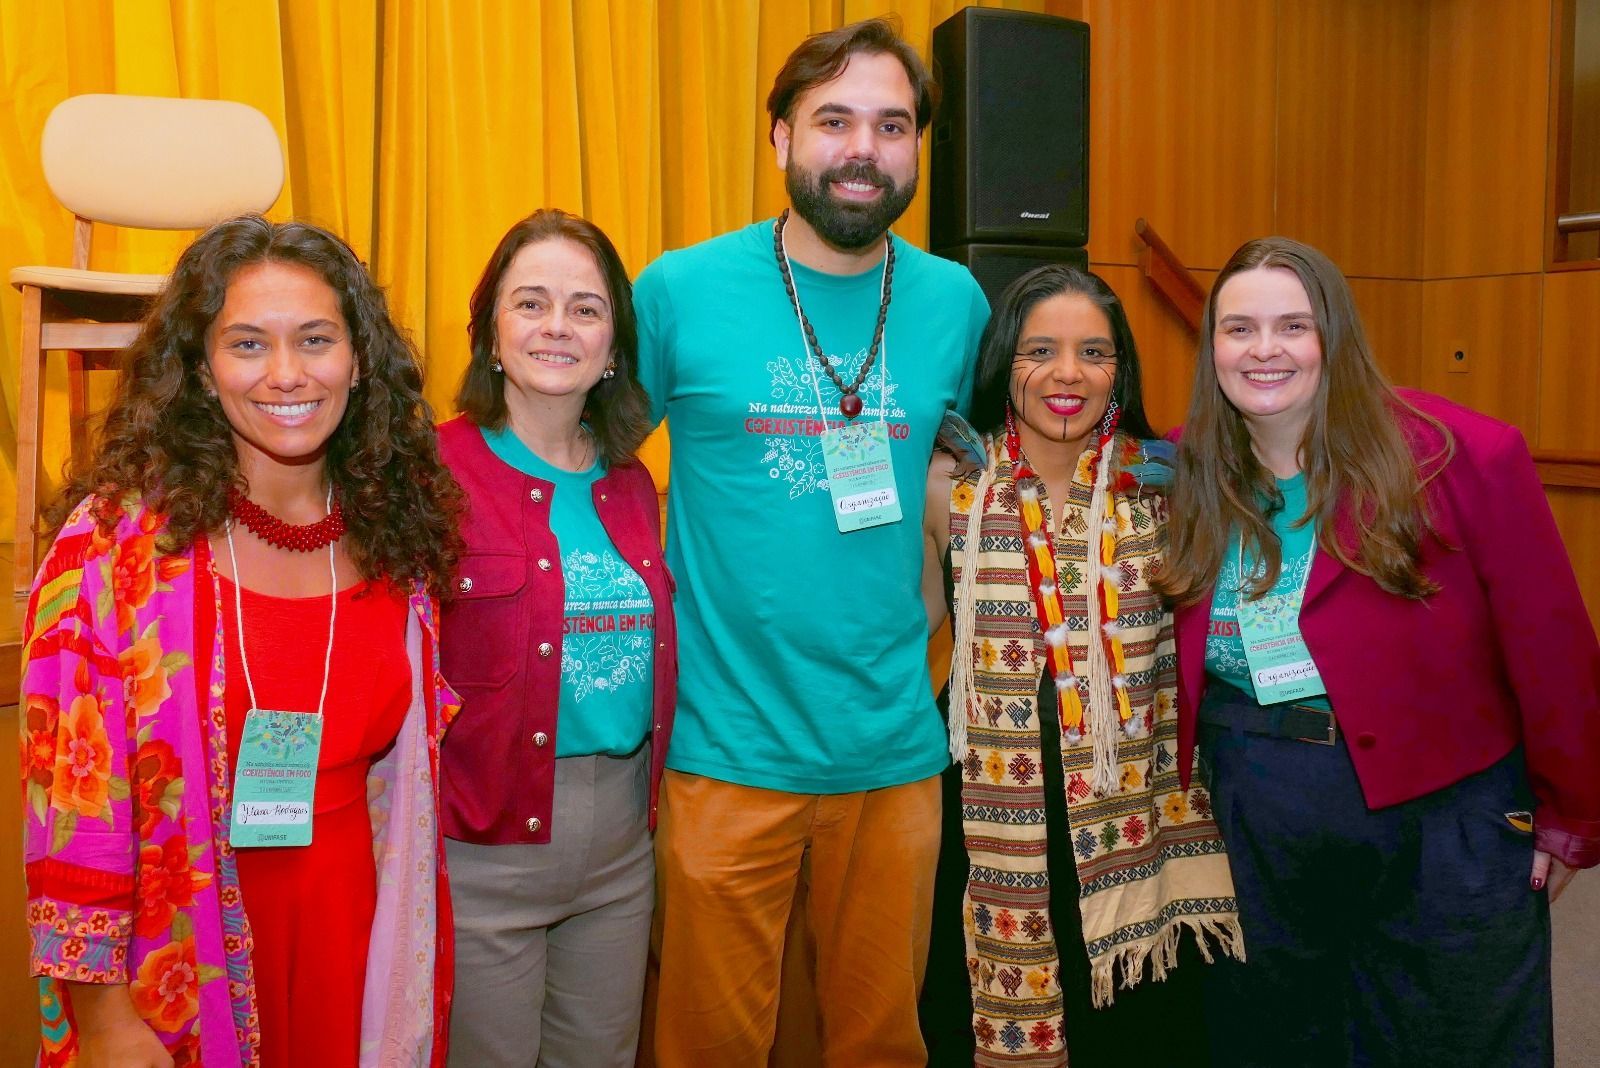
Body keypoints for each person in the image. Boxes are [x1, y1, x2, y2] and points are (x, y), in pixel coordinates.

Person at [19, 215, 462, 1068]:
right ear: (199, 367)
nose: (287, 374)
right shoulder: (114, 551)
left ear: (360, 359)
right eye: (248, 343)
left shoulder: (399, 537)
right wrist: (107, 1022)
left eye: (317, 339)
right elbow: (72, 816)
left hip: (353, 939)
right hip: (171, 969)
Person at [632, 17, 989, 1066]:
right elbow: (583, 469)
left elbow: (954, 486)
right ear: (779, 136)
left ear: (918, 147)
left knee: (882, 1046)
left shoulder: (954, 302)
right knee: (710, 1047)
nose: (862, 149)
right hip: (724, 750)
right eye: (833, 120)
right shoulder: (678, 292)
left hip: (892, 753)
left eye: (890, 124)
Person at [1158, 236, 1600, 1067]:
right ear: (1210, 344)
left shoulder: (1458, 455)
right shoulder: (1183, 468)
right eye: (1238, 328)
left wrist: (1573, 814)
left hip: (1444, 815)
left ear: (1335, 335)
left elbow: (1552, 647)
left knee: (1452, 1038)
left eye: (1293, 325)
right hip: (1257, 814)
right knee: (1278, 1036)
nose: (1264, 350)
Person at [917, 265, 1242, 1066]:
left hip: (1137, 813)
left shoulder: (1170, 486)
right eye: (1041, 350)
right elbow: (913, 626)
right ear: (1005, 362)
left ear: (1120, 370)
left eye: (1093, 352)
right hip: (991, 809)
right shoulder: (949, 485)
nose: (1068, 374)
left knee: (1132, 1035)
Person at [436, 208, 676, 1068]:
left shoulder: (630, 484)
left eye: (585, 307)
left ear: (613, 344)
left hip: (620, 855)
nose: (557, 326)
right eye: (530, 302)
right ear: (490, 333)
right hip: (480, 854)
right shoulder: (430, 473)